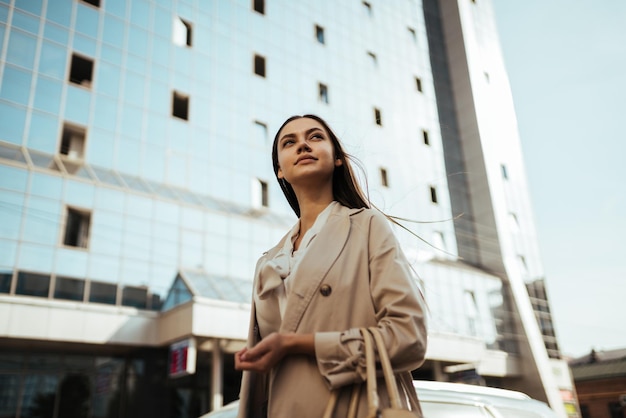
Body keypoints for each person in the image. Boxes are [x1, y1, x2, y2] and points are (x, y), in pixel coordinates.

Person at [235, 115, 427, 417]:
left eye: (315, 137)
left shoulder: (366, 226)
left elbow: (409, 337)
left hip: (351, 408)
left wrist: (297, 344)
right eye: (290, 142)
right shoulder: (267, 262)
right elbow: (256, 383)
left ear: (336, 158)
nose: (302, 146)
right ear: (280, 171)